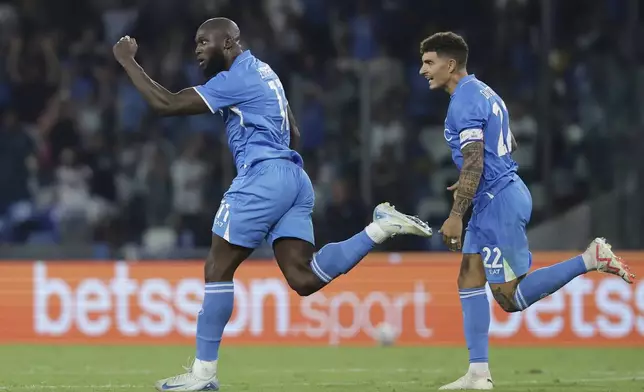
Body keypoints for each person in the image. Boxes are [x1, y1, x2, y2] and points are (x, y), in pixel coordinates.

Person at [113, 18, 432, 392]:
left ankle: (203, 375)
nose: (197, 49)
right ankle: (379, 227)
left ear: (230, 42)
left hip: (263, 176)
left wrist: (127, 61)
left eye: (204, 41)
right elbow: (293, 132)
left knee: (217, 266)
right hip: (294, 178)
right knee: (304, 278)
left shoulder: (236, 78)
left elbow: (165, 103)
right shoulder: (265, 72)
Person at [417, 31, 635, 390]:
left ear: (450, 63)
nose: (423, 70)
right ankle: (477, 373)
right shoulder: (486, 93)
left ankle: (590, 258)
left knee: (510, 297)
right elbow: (507, 142)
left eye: (429, 62)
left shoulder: (463, 101)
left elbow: (473, 160)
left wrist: (457, 213)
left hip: (497, 201)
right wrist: (477, 176)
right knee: (469, 276)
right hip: (494, 195)